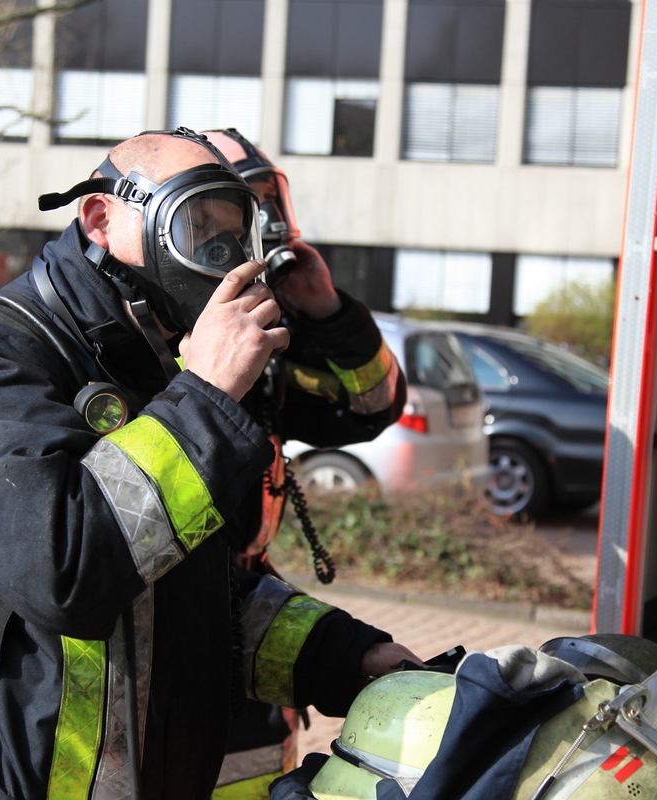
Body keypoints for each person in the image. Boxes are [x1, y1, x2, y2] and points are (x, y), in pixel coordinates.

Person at [0, 127, 419, 800]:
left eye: (231, 238)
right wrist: (206, 394)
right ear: (102, 218)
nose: (219, 260)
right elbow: (65, 568)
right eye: (196, 227)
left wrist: (347, 657)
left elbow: (191, 595)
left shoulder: (151, 366)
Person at [200, 128, 393, 799]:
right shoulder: (132, 349)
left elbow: (370, 407)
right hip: (166, 663)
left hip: (250, 636)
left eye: (265, 205)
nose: (260, 229)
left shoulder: (270, 339)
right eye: (237, 211)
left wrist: (328, 311)